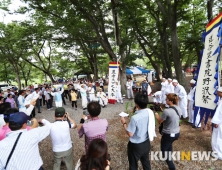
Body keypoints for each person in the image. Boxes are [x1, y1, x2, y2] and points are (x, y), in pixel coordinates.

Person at [120, 94, 151, 170]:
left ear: (136, 104)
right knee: (146, 164)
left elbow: (130, 134)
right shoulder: (150, 113)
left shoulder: (135, 118)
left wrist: (124, 123)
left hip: (136, 146)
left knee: (133, 165)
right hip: (146, 143)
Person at [155, 93, 182, 170]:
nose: (166, 100)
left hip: (168, 134)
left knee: (164, 150)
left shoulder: (167, 111)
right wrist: (162, 111)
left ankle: (172, 167)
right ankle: (169, 156)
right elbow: (171, 116)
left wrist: (156, 113)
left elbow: (160, 121)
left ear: (170, 101)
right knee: (169, 144)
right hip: (176, 133)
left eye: (167, 99)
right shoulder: (178, 109)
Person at [211, 87, 222, 160]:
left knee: (218, 137)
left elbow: (220, 113)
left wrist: (216, 121)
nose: (217, 93)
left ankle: (218, 153)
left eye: (218, 92)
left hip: (220, 122)